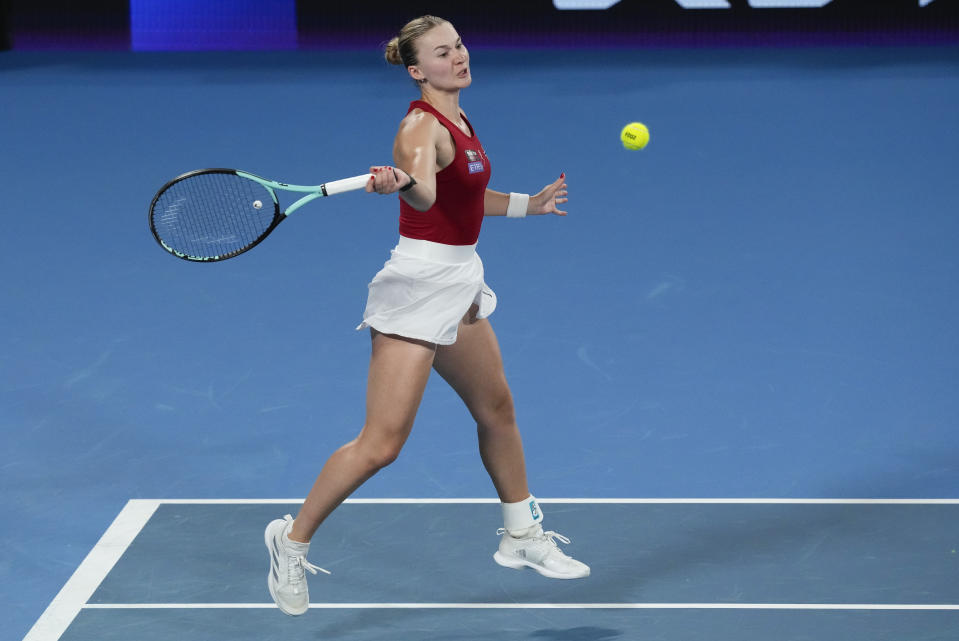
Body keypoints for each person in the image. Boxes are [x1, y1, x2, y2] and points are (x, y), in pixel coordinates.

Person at [264, 15, 589, 617]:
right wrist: (401, 185)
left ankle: (520, 535)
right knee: (382, 444)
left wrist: (530, 206)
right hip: (416, 287)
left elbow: (464, 197)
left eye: (460, 44)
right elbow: (427, 194)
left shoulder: (460, 120)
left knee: (497, 410)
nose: (459, 57)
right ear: (417, 71)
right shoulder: (419, 126)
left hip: (458, 276)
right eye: (443, 53)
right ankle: (290, 540)